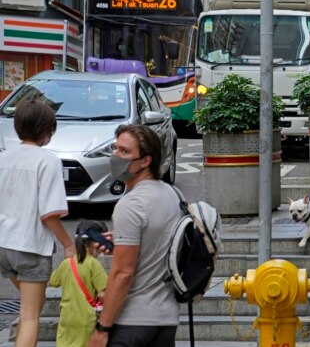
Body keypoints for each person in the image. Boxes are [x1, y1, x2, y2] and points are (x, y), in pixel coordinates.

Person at [88, 124, 183, 347]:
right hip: (166, 319)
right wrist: (121, 243)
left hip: (132, 321)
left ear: (145, 161)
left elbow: (123, 274)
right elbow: (159, 244)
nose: (115, 156)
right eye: (115, 148)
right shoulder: (173, 194)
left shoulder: (130, 205)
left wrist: (102, 328)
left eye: (125, 151)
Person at [0, 100, 75, 347]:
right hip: (30, 247)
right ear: (47, 131)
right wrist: (68, 243)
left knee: (31, 304)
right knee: (31, 315)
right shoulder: (47, 161)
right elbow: (49, 213)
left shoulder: (3, 158)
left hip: (3, 245)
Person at [50, 220, 109, 347]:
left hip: (67, 317)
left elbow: (53, 281)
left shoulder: (66, 263)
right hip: (86, 318)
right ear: (95, 243)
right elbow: (104, 293)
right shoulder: (94, 264)